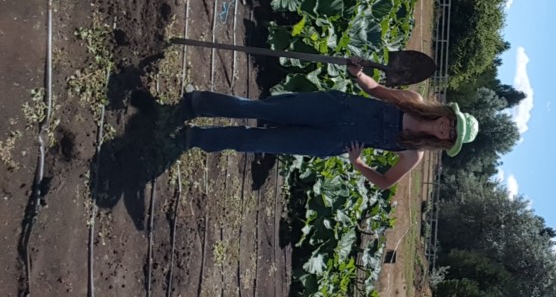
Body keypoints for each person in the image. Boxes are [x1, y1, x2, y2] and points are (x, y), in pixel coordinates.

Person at [174, 59, 478, 189]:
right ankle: (198, 102)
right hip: (331, 107)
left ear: (447, 142)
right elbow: (376, 90)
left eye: (452, 135)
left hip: (330, 142)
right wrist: (359, 75)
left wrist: (358, 163)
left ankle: (195, 138)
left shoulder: (413, 153)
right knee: (260, 108)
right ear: (447, 115)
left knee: (260, 140)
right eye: (452, 124)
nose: (447, 130)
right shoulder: (412, 100)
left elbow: (385, 182)